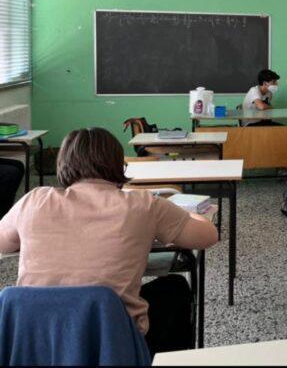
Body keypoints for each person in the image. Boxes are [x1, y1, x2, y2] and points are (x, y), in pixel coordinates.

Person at [0, 128, 218, 354]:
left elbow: (3, 243)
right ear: (117, 163)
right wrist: (190, 213)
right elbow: (207, 236)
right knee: (175, 288)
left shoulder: (34, 200)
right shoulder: (144, 205)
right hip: (110, 343)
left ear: (62, 163)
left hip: (33, 343)